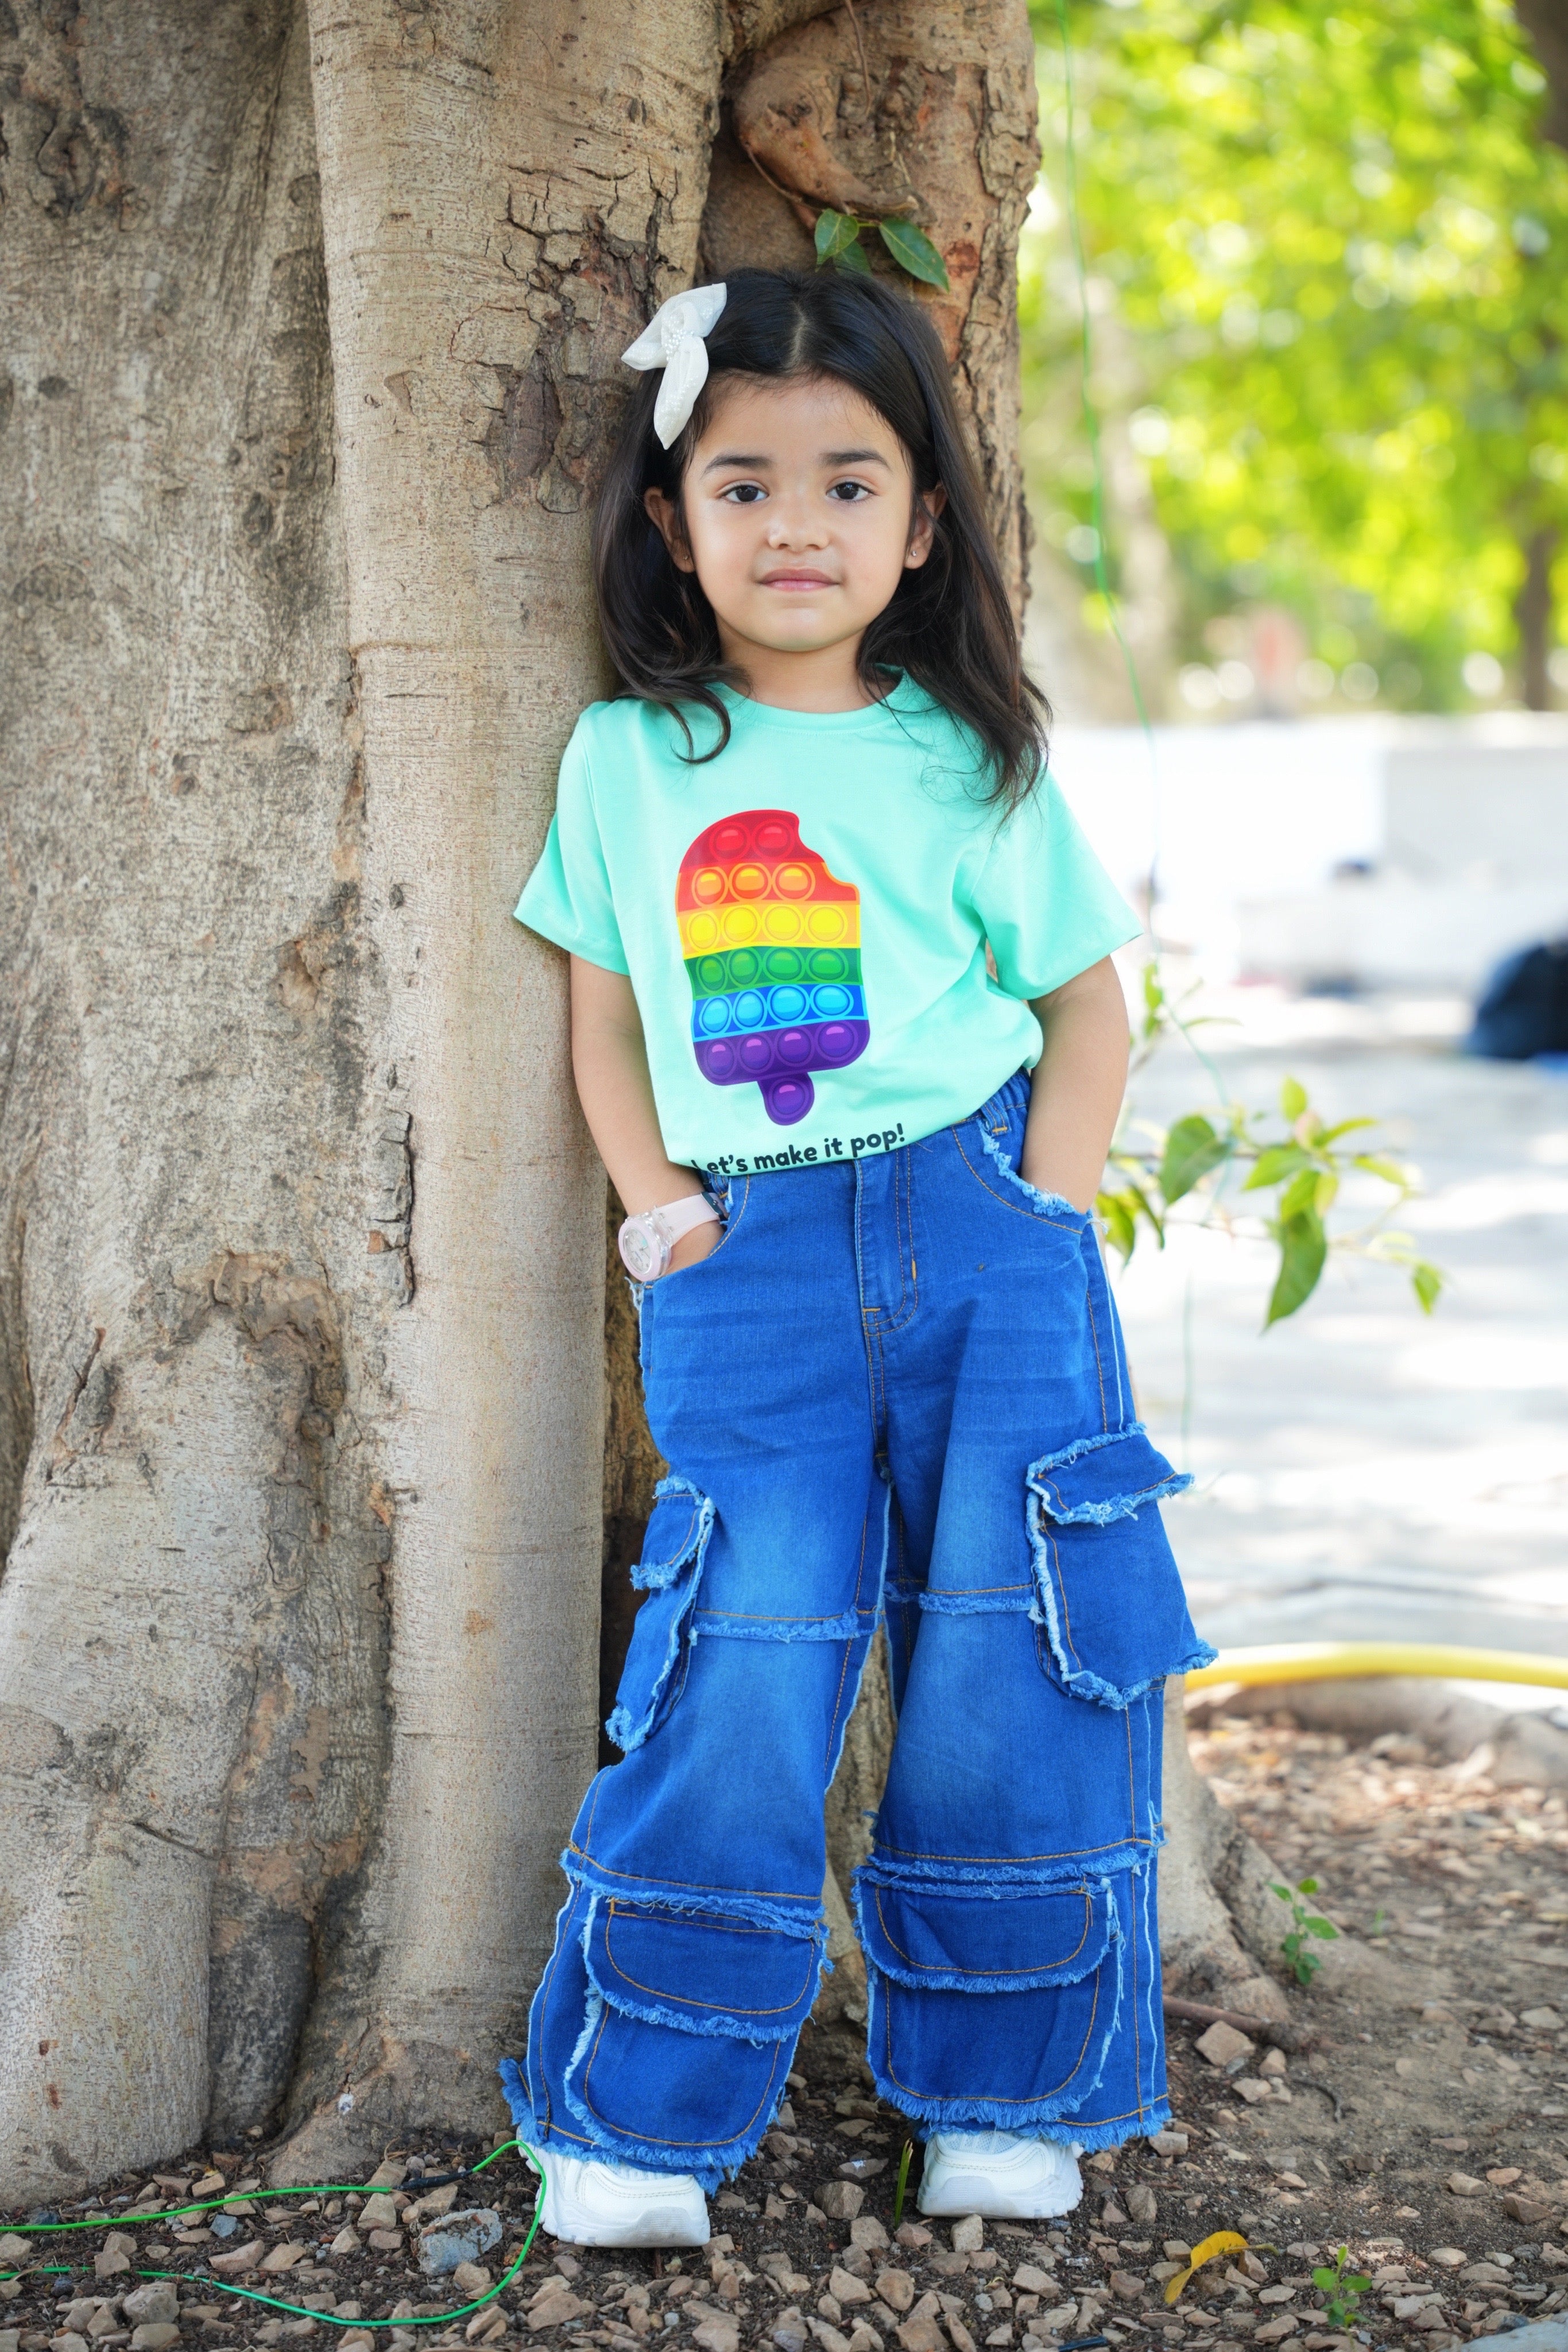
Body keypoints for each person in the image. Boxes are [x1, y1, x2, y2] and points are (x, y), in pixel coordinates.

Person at [504, 266, 1214, 2249]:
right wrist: (662, 1211)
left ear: (920, 528)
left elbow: (1081, 1004)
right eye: (743, 485)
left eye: (847, 483)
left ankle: (998, 2095)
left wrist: (1046, 1209)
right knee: (743, 1647)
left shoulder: (969, 756)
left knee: (1011, 1651)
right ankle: (637, 2118)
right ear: (673, 525)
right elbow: (605, 1016)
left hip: (987, 1228)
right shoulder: (629, 759)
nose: (795, 526)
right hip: (743, 1252)